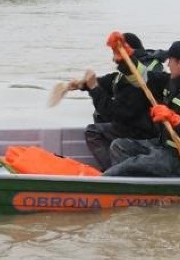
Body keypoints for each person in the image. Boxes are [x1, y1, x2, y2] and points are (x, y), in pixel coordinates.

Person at [103, 39, 180, 177]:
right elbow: (142, 78)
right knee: (119, 146)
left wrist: (175, 120)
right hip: (168, 147)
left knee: (129, 167)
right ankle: (139, 187)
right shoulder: (173, 81)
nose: (168, 64)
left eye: (171, 61)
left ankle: (111, 182)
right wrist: (125, 59)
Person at [67, 32, 167, 170]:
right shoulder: (131, 71)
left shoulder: (136, 81)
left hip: (141, 130)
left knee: (94, 132)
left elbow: (115, 113)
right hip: (134, 123)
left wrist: (94, 89)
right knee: (100, 122)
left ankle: (113, 172)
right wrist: (82, 84)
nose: (113, 59)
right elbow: (110, 81)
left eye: (116, 53)